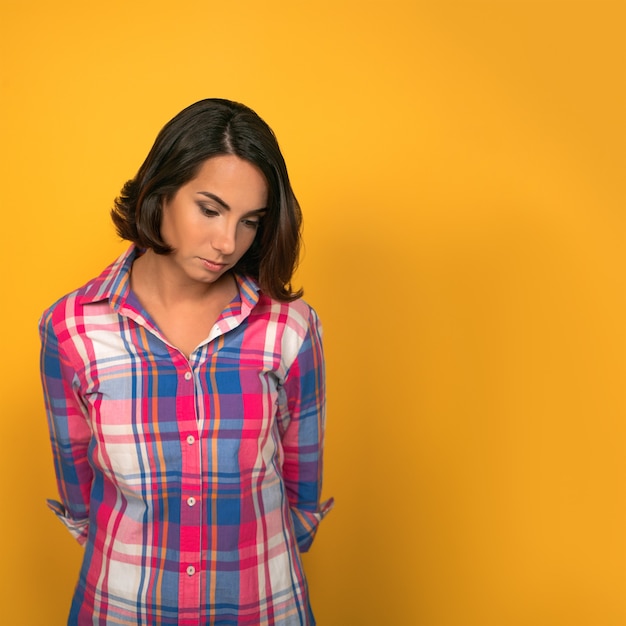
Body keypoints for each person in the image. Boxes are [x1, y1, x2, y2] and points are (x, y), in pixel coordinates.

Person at [39, 98, 333, 625]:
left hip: (264, 607)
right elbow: (81, 499)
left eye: (250, 221)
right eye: (210, 209)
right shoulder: (73, 330)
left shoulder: (289, 327)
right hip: (125, 607)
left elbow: (301, 492)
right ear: (161, 191)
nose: (227, 243)